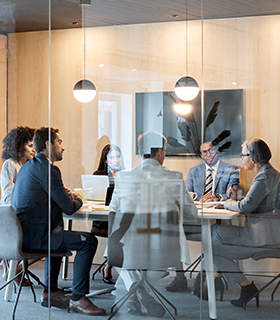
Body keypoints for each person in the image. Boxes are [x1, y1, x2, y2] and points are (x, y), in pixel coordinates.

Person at [11, 127, 106, 316]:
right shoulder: (49, 169)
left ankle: (50, 292)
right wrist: (79, 199)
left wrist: (64, 195)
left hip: (23, 235)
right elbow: (69, 208)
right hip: (37, 237)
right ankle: (78, 298)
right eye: (60, 142)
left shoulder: (30, 166)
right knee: (89, 241)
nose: (63, 147)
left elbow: (48, 197)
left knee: (57, 232)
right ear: (48, 145)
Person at [108, 131, 196, 317]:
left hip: (127, 247)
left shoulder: (122, 177)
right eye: (164, 150)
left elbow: (113, 210)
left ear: (141, 153)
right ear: (159, 152)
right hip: (163, 248)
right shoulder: (174, 177)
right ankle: (143, 294)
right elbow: (192, 213)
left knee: (120, 256)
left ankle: (135, 293)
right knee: (156, 259)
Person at [210, 139, 280, 307]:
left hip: (262, 238)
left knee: (212, 249)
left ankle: (245, 286)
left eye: (243, 155)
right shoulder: (271, 174)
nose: (242, 158)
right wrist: (235, 199)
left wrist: (226, 203)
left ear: (253, 157)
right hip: (267, 232)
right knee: (215, 231)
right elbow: (257, 203)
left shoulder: (262, 178)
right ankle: (217, 278)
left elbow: (245, 207)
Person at [165, 139, 240, 293]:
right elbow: (186, 194)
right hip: (196, 218)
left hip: (218, 221)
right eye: (204, 152)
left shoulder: (231, 169)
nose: (208, 154)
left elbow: (234, 195)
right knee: (173, 232)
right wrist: (195, 199)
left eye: (211, 150)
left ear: (217, 150)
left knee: (214, 235)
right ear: (201, 154)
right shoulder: (194, 171)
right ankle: (179, 277)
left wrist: (217, 197)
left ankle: (205, 277)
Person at [0, 126, 35, 286]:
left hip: (20, 214)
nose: (33, 149)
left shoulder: (24, 166)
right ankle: (14, 270)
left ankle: (14, 270)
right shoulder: (10, 164)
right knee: (42, 241)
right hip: (11, 216)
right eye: (29, 145)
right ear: (19, 146)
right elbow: (8, 195)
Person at [91, 144, 125, 285]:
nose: (116, 160)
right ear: (105, 160)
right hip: (103, 219)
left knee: (122, 226)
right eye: (111, 157)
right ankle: (110, 265)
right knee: (120, 228)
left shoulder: (126, 175)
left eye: (118, 156)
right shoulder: (98, 175)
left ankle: (109, 264)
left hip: (120, 217)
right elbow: (94, 197)